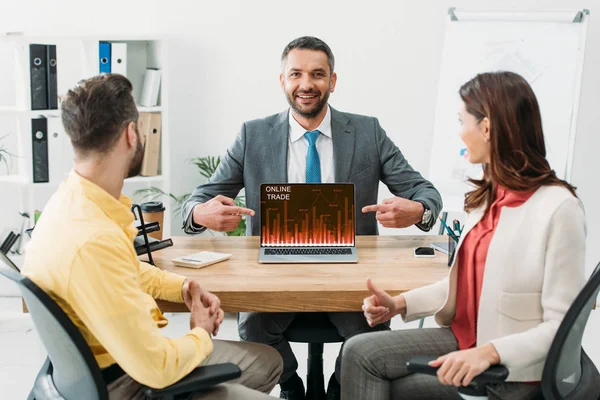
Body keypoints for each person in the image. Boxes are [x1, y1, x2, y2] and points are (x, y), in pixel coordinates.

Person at [181, 36, 442, 400]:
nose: (307, 84)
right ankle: (291, 384)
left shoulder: (367, 132)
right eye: (296, 74)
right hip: (274, 270)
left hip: (351, 272)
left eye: (318, 74)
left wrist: (418, 210)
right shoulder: (252, 135)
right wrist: (200, 212)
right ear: (283, 81)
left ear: (332, 81)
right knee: (255, 325)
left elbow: (426, 193)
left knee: (373, 333)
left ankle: (339, 386)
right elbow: (196, 200)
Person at [22, 74, 283, 400]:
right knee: (260, 368)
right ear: (131, 134)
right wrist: (201, 332)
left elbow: (119, 268)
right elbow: (158, 368)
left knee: (268, 360)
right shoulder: (94, 240)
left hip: (96, 372)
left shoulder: (68, 205)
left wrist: (183, 286)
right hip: (128, 384)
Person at [340, 71, 588, 400]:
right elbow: (466, 285)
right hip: (467, 340)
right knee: (359, 352)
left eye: (462, 121)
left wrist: (489, 353)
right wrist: (400, 304)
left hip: (512, 371)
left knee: (386, 378)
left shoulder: (559, 209)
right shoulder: (488, 197)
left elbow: (563, 328)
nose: (459, 134)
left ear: (486, 128)